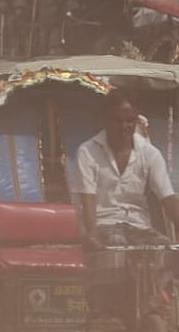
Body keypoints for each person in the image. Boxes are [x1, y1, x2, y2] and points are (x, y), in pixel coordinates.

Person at [76, 92, 179, 317]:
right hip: (106, 225)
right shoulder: (88, 151)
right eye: (118, 121)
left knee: (165, 248)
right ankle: (114, 310)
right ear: (105, 119)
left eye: (130, 120)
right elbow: (88, 198)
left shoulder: (150, 153)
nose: (125, 126)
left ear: (136, 120)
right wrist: (91, 233)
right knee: (116, 246)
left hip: (139, 226)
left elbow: (167, 196)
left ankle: (160, 300)